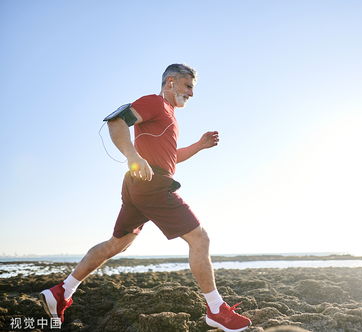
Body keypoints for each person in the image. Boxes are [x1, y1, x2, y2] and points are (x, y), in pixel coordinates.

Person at [39, 64, 252, 332]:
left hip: (139, 184)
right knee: (200, 238)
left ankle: (62, 290)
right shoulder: (154, 102)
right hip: (152, 183)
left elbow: (171, 157)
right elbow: (117, 122)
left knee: (118, 244)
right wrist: (133, 157)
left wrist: (199, 146)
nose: (191, 93)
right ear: (171, 82)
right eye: (188, 86)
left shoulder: (169, 115)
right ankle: (215, 309)